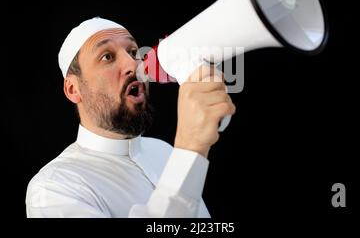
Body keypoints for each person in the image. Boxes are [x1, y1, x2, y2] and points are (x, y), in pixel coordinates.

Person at [25, 17, 236, 217]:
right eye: (107, 56)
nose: (133, 65)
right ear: (73, 89)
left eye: (133, 52)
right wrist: (189, 148)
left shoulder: (164, 151)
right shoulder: (54, 189)